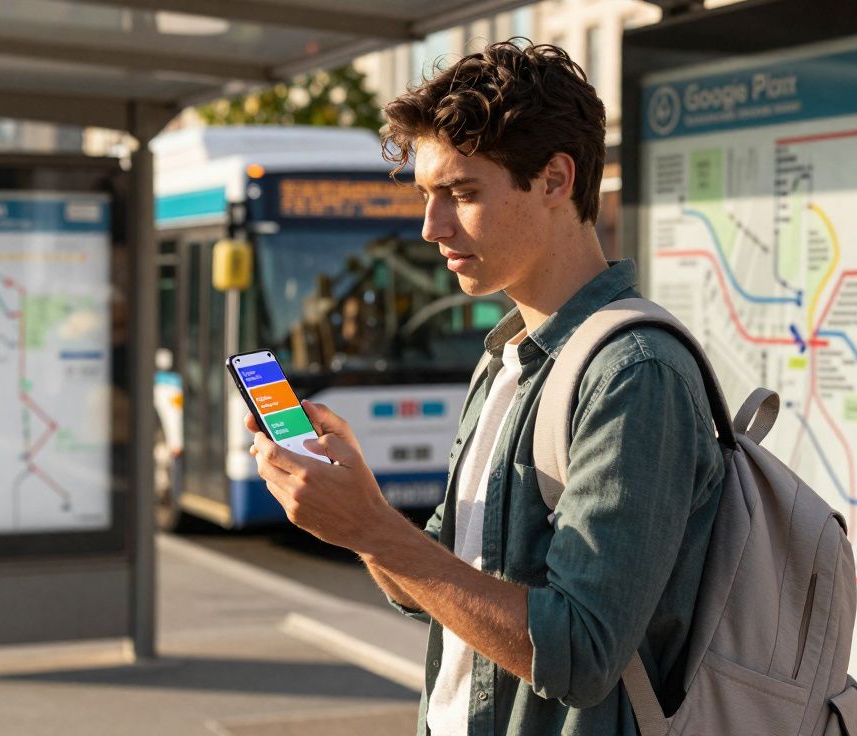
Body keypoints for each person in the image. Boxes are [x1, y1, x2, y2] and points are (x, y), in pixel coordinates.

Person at [246, 41, 725, 736]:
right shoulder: (503, 360)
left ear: (557, 180)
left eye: (462, 194)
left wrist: (373, 528)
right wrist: (360, 513)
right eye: (425, 196)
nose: (430, 227)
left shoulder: (634, 373)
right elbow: (434, 586)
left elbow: (583, 654)